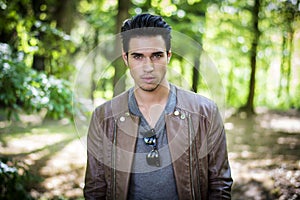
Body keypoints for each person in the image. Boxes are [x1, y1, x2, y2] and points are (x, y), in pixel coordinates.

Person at [83, 13, 233, 200]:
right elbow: (95, 189)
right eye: (138, 56)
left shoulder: (205, 112)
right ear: (125, 58)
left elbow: (220, 185)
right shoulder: (103, 117)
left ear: (168, 56)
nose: (148, 67)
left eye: (156, 55)